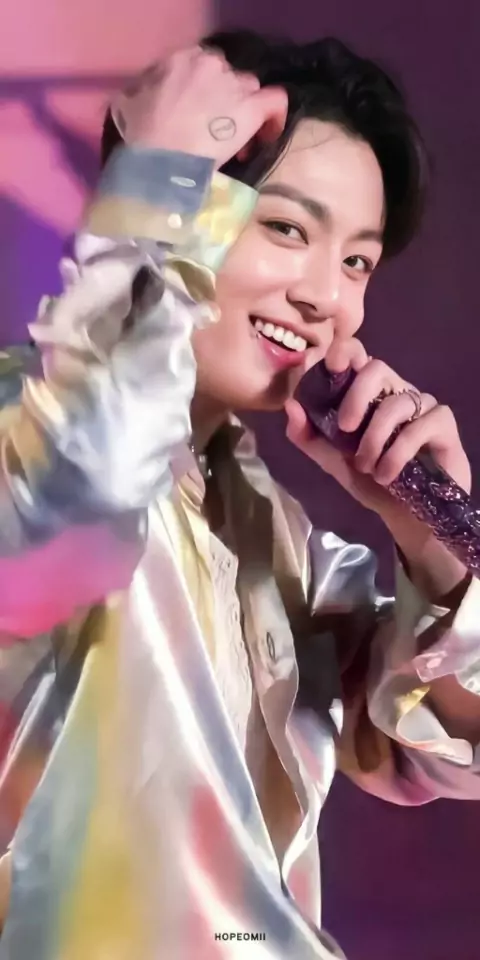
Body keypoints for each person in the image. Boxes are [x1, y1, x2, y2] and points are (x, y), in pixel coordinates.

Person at [0, 30, 479, 959]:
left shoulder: (275, 538)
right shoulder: (28, 435)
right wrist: (151, 193)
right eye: (288, 229)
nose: (325, 298)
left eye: (358, 262)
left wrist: (436, 545)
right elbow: (83, 492)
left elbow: (441, 748)